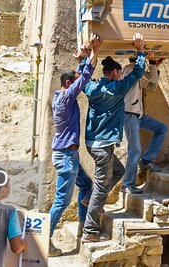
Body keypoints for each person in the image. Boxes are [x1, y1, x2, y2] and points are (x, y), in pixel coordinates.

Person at [82, 33, 146, 242]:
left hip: (93, 144)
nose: (121, 75)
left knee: (117, 171)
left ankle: (88, 199)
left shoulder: (91, 87)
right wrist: (140, 50)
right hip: (103, 146)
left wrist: (87, 55)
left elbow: (83, 75)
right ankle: (91, 231)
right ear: (116, 73)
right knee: (101, 189)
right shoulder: (117, 88)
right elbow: (137, 72)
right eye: (120, 72)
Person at [47, 34, 102, 256]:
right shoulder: (68, 97)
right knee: (61, 202)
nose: (77, 86)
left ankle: (82, 226)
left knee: (87, 186)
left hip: (65, 155)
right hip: (67, 158)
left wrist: (81, 57)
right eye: (74, 83)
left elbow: (78, 76)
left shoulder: (58, 97)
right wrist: (95, 52)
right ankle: (44, 240)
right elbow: (84, 77)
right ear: (68, 84)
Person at [121, 52, 167, 194]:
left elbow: (152, 86)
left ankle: (147, 159)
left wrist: (155, 67)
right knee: (134, 149)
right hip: (130, 114)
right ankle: (127, 185)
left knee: (161, 129)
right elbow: (151, 78)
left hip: (138, 115)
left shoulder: (137, 73)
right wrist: (152, 63)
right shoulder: (130, 69)